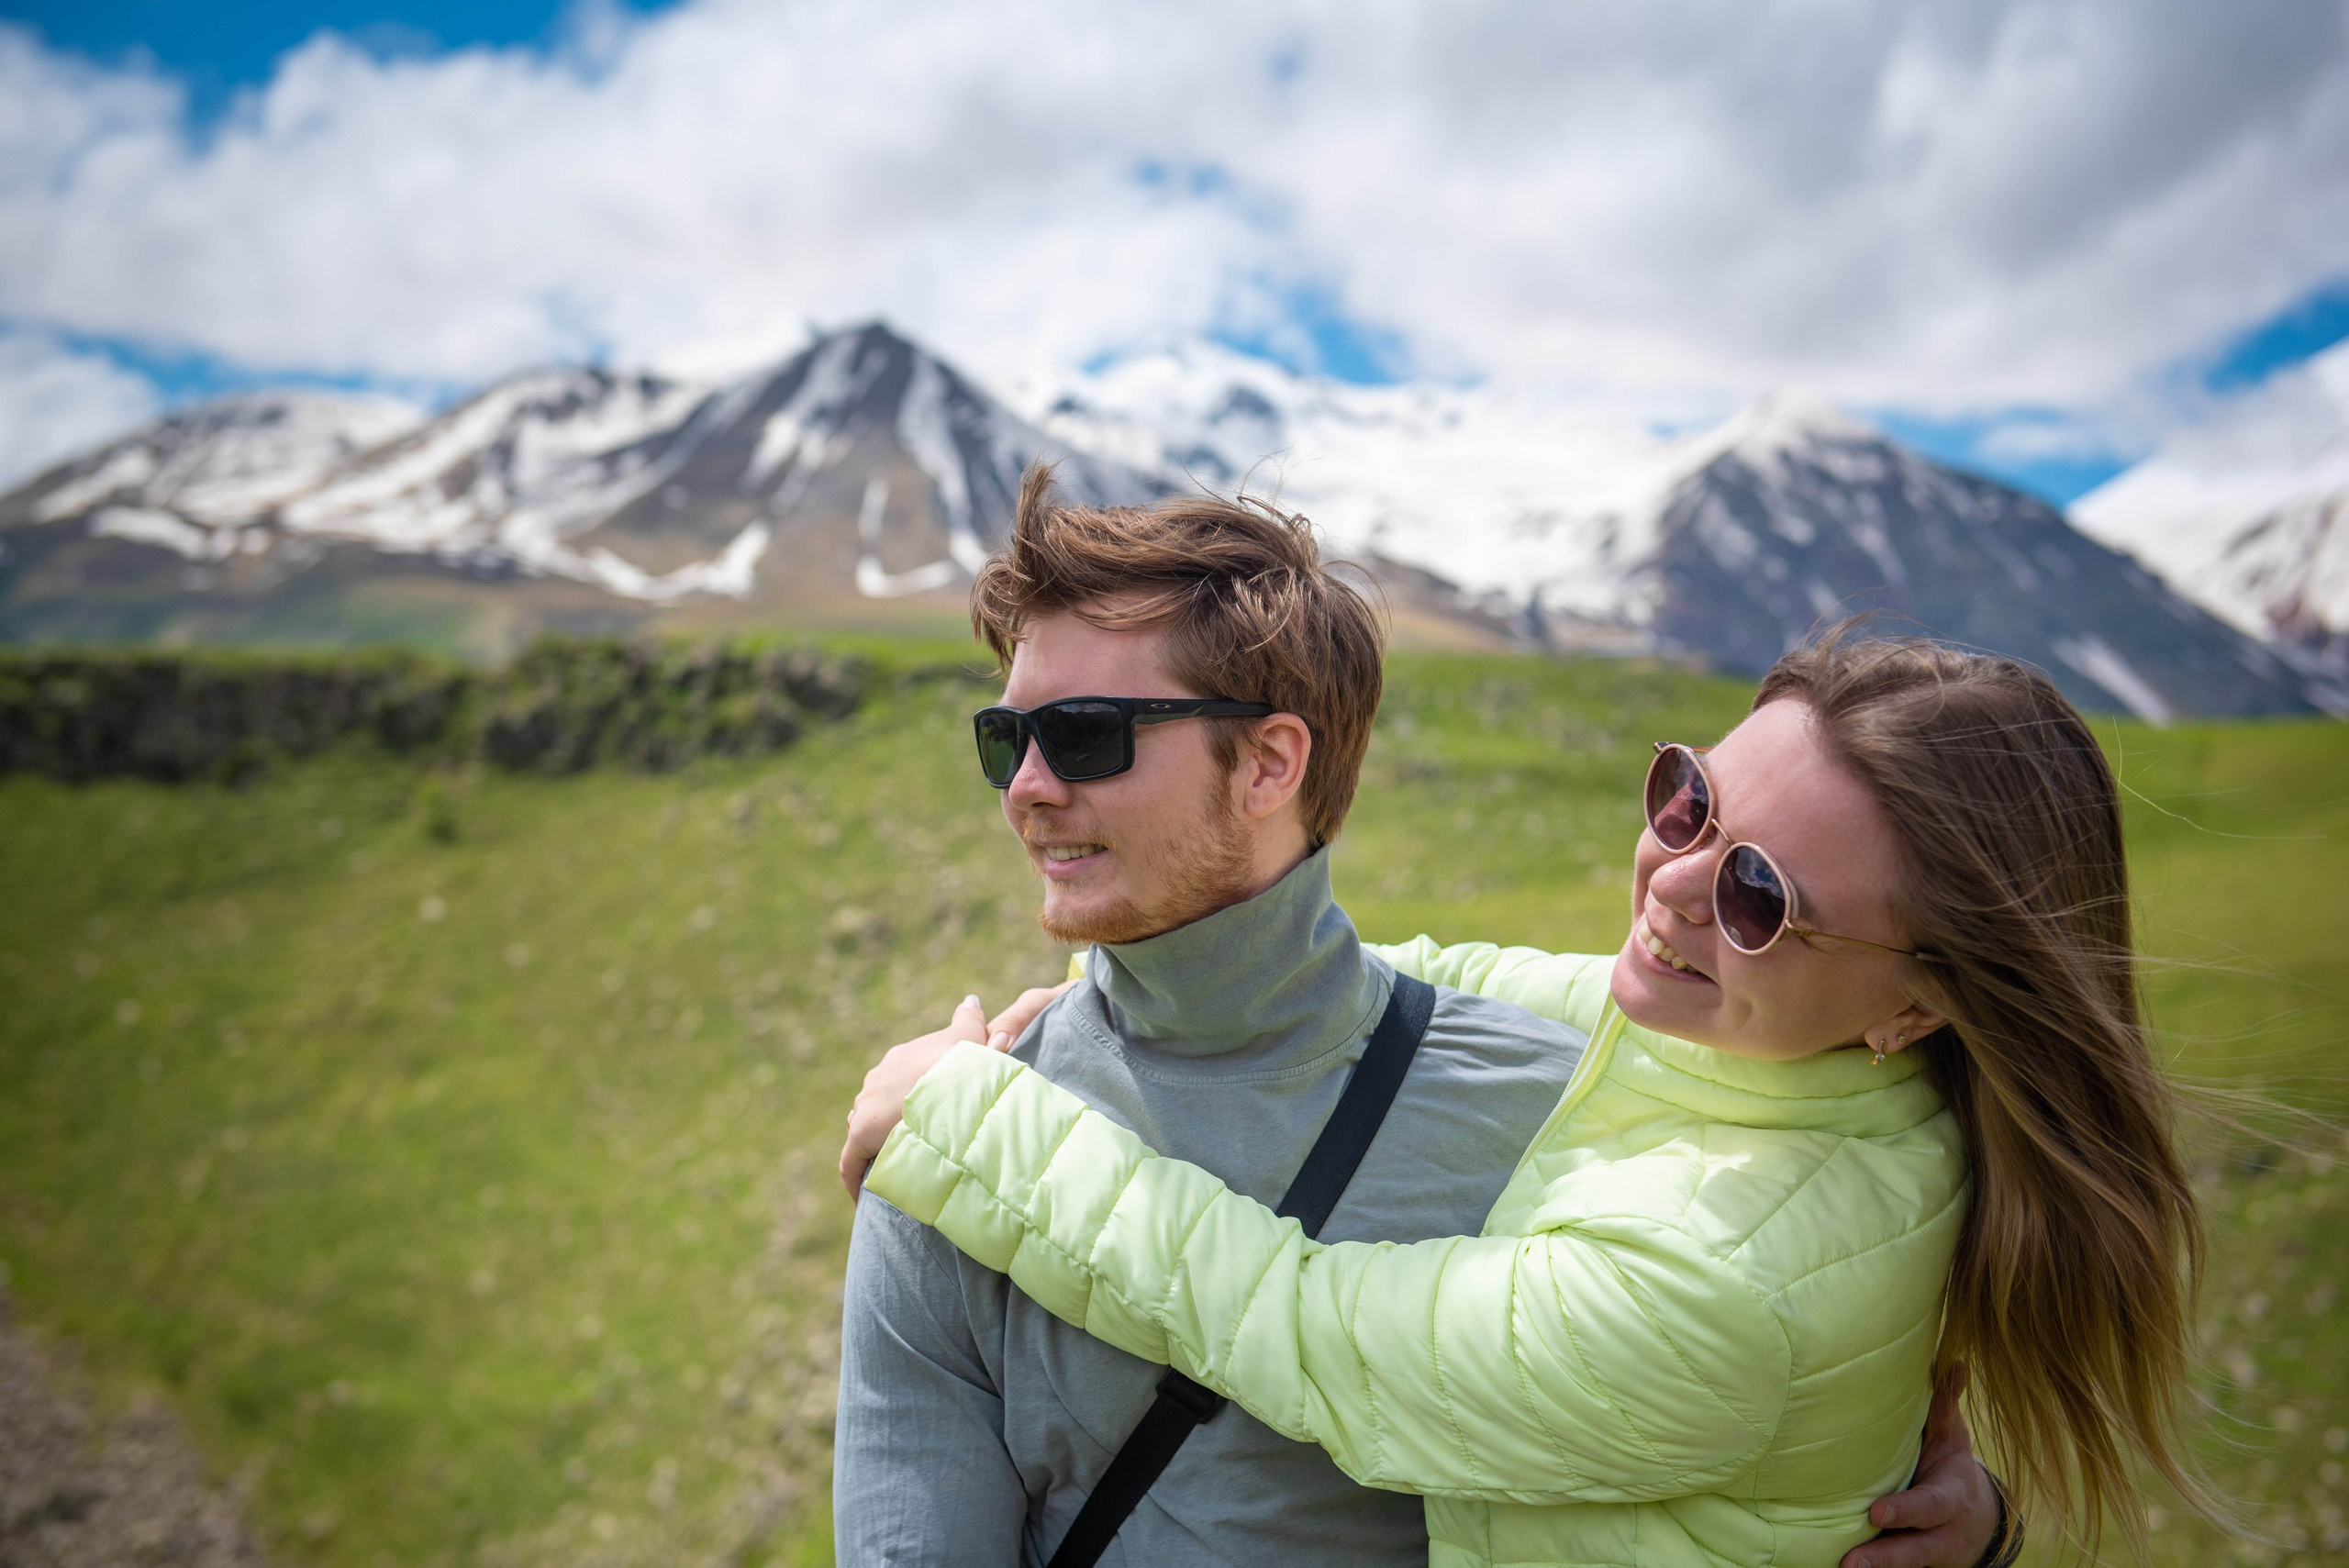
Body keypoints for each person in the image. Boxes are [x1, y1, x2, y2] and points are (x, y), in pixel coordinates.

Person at [847, 622, 2218, 1567]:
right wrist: (1103, 994)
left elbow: (1300, 1327)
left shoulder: (1725, 1289)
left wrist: (963, 1119)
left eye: (1759, 895)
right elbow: (1415, 979)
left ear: (1918, 1004)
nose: (1673, 885)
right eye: (1689, 800)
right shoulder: (1773, 1038)